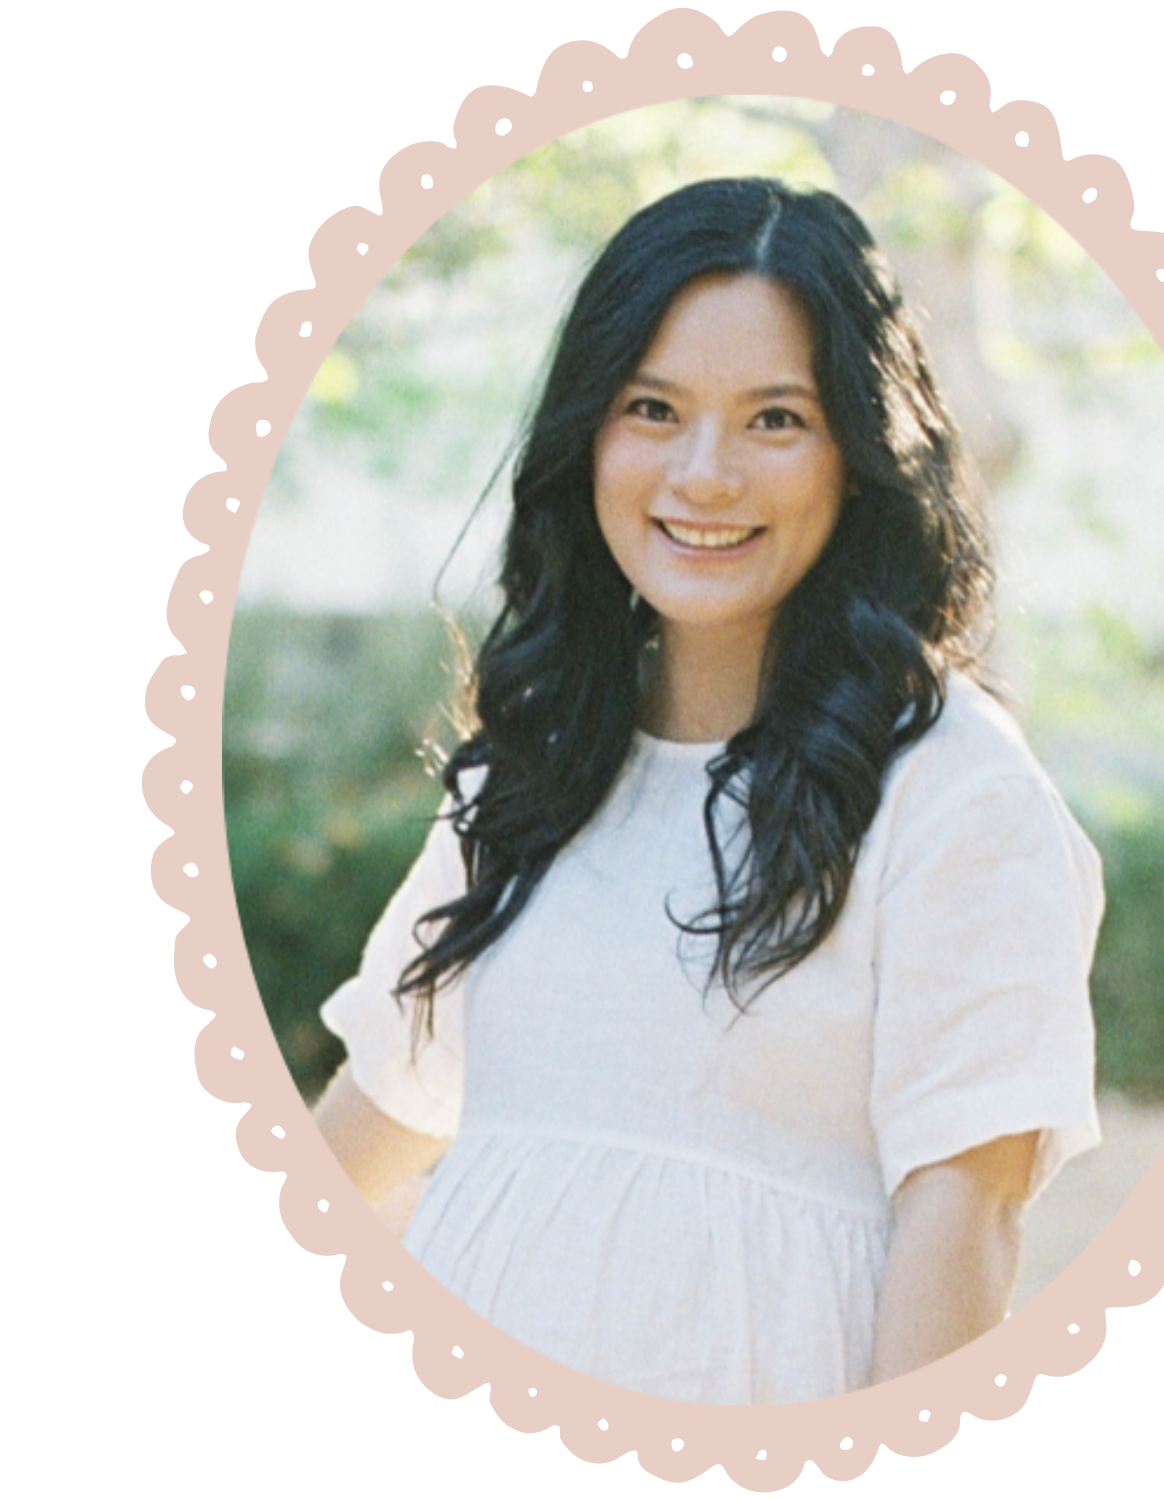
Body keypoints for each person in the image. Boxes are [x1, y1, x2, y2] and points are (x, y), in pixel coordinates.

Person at [313, 177, 1104, 1405]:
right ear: (589, 435)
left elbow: (966, 1229)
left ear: (863, 449)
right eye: (652, 408)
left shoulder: (959, 795)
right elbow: (367, 1138)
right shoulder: (531, 767)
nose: (704, 473)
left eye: (775, 419)